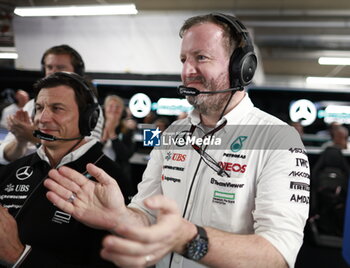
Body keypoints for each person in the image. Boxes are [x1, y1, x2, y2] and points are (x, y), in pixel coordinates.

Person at [44, 13, 310, 268]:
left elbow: (277, 255)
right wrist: (121, 215)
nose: (187, 71)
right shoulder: (173, 134)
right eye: (183, 59)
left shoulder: (278, 139)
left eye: (201, 57)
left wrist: (186, 238)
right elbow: (146, 217)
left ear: (242, 67)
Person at [0, 72, 131, 267]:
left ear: (88, 118)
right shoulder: (11, 171)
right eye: (39, 108)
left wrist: (19, 256)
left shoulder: (111, 181)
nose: (42, 118)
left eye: (57, 108)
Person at [0, 44, 104, 164]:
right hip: (28, 175)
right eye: (49, 67)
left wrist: (32, 136)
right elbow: (4, 156)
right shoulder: (31, 105)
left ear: (77, 72)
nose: (53, 72)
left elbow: (87, 151)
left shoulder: (89, 107)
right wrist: (20, 142)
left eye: (60, 67)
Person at [101, 95, 136, 186]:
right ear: (104, 109)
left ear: (122, 111)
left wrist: (113, 135)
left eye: (117, 107)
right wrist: (104, 135)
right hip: (98, 172)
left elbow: (126, 155)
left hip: (119, 176)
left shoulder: (128, 130)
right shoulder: (96, 127)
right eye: (111, 106)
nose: (114, 109)